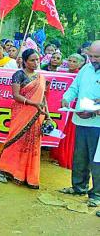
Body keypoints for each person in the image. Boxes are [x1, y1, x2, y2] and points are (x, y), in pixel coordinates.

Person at [0, 49, 50, 189]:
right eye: (32, 60)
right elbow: (16, 95)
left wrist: (48, 116)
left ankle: (27, 175)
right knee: (15, 141)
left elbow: (43, 99)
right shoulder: (18, 75)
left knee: (32, 144)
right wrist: (33, 104)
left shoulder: (41, 78)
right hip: (22, 113)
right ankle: (4, 171)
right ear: (25, 61)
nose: (35, 63)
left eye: (37, 60)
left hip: (38, 115)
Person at [59, 41, 100, 208]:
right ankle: (79, 186)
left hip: (97, 123)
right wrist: (66, 98)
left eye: (96, 57)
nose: (92, 60)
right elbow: (74, 87)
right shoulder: (86, 69)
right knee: (80, 157)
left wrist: (94, 109)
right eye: (90, 56)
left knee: (97, 161)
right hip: (81, 120)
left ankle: (96, 194)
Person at [50, 53, 86, 169]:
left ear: (81, 64)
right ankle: (56, 155)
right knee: (60, 128)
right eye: (70, 60)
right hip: (62, 105)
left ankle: (65, 158)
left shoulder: (81, 75)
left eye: (74, 62)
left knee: (69, 133)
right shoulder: (63, 73)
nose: (71, 63)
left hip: (73, 107)